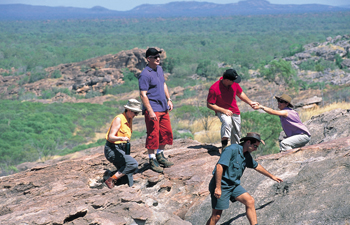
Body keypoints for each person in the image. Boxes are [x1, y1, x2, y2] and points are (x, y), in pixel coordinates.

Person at [206, 132, 283, 225]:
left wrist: (272, 176)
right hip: (221, 185)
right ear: (248, 142)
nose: (256, 149)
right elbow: (219, 167)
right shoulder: (231, 149)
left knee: (250, 201)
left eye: (257, 147)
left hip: (233, 185)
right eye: (255, 146)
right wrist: (218, 187)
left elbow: (257, 166)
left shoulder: (246, 155)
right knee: (217, 215)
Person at [138, 47, 174, 173]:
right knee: (153, 134)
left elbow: (163, 84)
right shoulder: (145, 74)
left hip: (163, 107)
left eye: (159, 56)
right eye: (155, 57)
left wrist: (169, 99)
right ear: (148, 59)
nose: (158, 59)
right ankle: (152, 159)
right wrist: (150, 111)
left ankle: (160, 154)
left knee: (166, 132)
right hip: (153, 109)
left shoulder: (159, 69)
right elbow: (143, 94)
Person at [207, 69, 258, 150]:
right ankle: (224, 145)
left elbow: (240, 93)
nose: (235, 82)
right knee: (227, 122)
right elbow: (209, 104)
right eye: (233, 80)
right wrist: (224, 110)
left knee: (236, 132)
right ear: (226, 80)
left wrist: (250, 102)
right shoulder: (214, 88)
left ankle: (235, 150)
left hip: (235, 110)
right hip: (222, 111)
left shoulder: (234, 84)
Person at [104, 99, 142, 189]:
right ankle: (111, 179)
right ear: (129, 110)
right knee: (133, 164)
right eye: (135, 113)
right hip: (112, 149)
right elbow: (110, 137)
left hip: (121, 148)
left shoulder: (129, 119)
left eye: (137, 113)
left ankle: (129, 187)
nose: (136, 115)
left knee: (128, 173)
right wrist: (121, 138)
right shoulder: (119, 119)